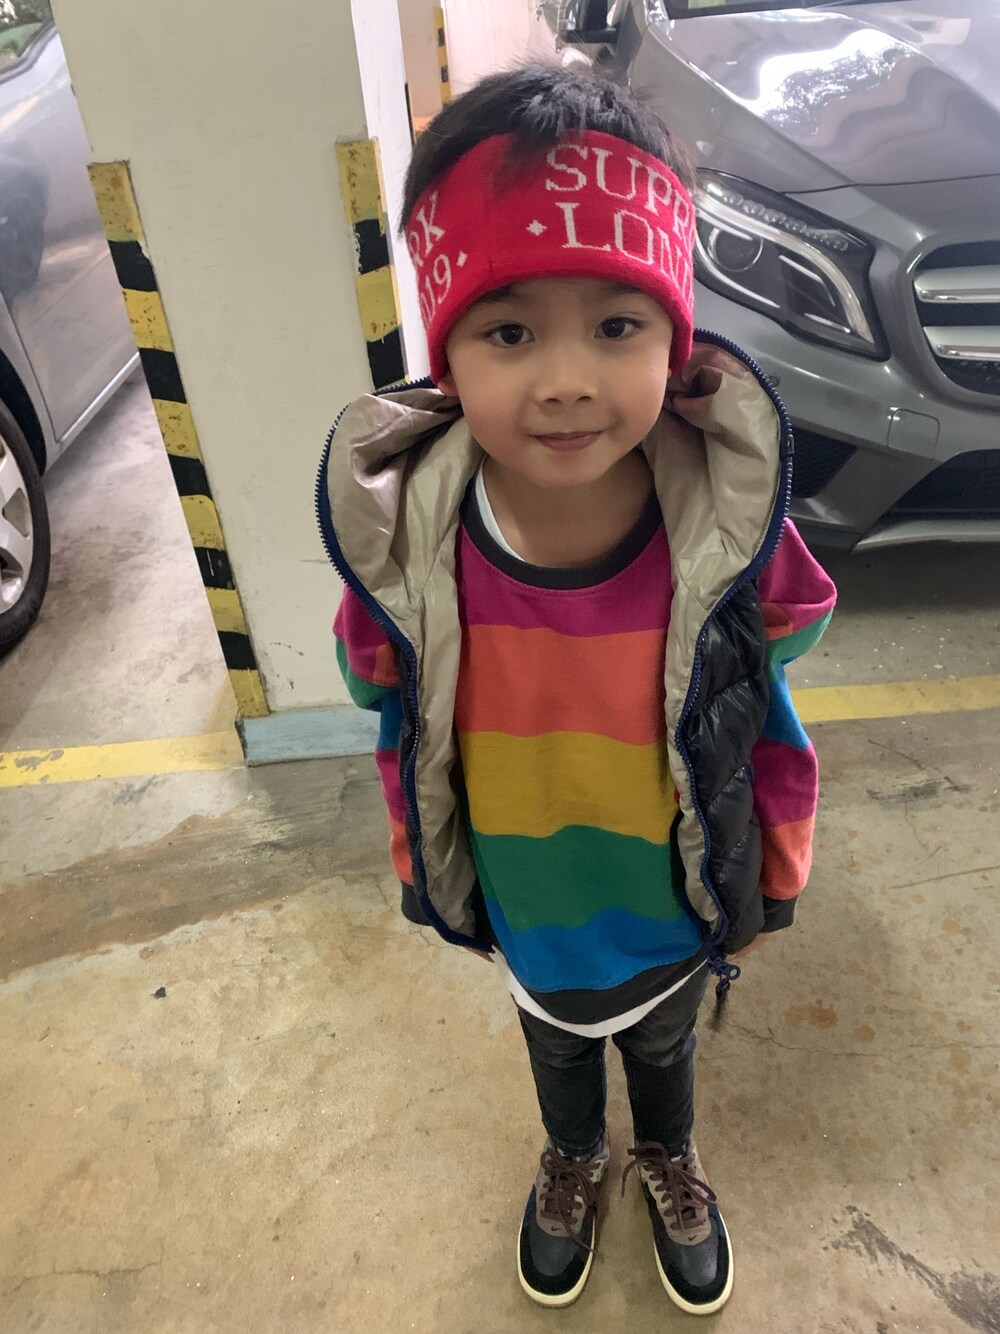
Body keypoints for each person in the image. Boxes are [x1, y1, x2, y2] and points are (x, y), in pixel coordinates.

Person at [318, 63, 836, 1316]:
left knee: (661, 1039)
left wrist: (768, 871)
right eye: (509, 332)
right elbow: (385, 702)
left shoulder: (724, 532)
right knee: (555, 1041)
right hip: (528, 895)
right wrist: (420, 858)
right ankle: (570, 1155)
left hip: (667, 888)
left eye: (615, 326)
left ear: (677, 337)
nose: (564, 380)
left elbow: (766, 697)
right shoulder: (412, 548)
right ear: (447, 352)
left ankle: (665, 1149)